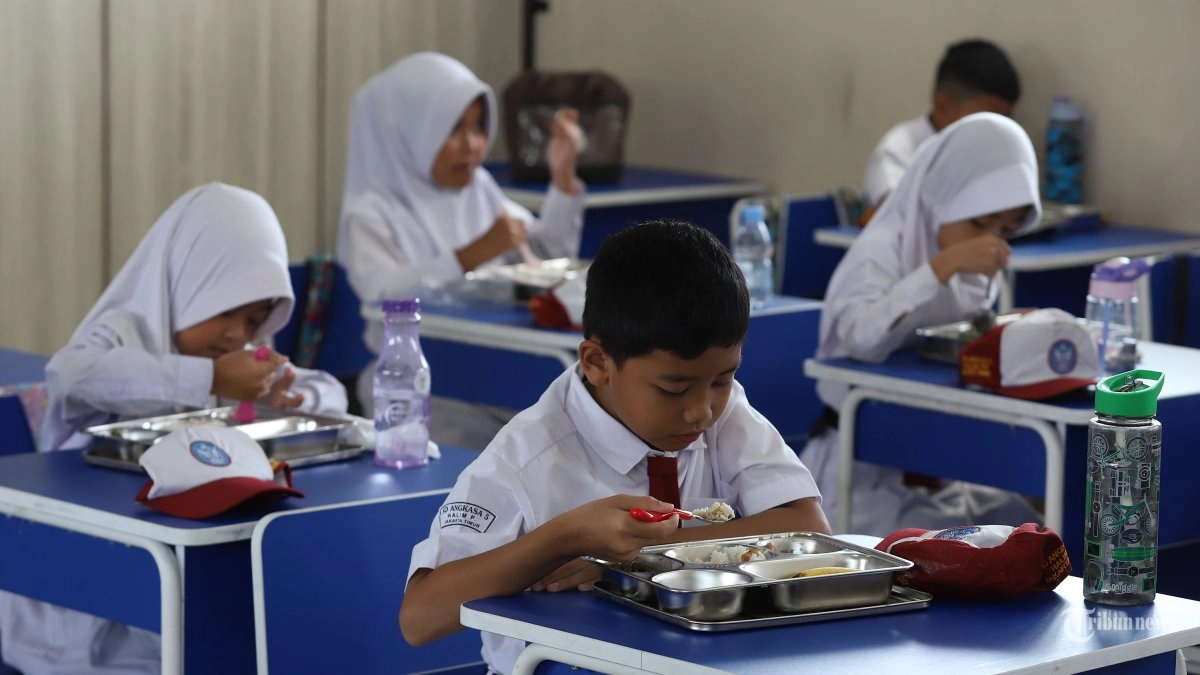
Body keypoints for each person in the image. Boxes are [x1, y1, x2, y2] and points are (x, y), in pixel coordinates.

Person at [399, 220, 829, 674]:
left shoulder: (723, 414)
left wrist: (640, 559)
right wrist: (563, 538)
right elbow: (420, 618)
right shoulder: (527, 456)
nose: (701, 412)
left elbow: (807, 524)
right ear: (598, 362)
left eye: (724, 379)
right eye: (672, 388)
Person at [0, 182, 348, 674]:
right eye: (224, 310)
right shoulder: (124, 332)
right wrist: (207, 379)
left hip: (183, 565)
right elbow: (70, 374)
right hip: (75, 587)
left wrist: (285, 394)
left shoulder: (243, 358)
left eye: (253, 320)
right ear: (184, 280)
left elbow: (327, 392)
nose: (236, 334)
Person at [802, 112, 1045, 537]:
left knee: (1027, 530)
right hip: (860, 470)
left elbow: (964, 332)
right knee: (938, 547)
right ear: (941, 199)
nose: (989, 239)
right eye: (979, 223)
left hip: (935, 456)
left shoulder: (972, 264)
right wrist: (940, 267)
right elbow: (861, 340)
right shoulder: (883, 248)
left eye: (1005, 229)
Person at [337, 51, 586, 451]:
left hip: (499, 368)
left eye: (478, 127)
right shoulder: (373, 212)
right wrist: (471, 253)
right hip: (423, 390)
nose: (473, 146)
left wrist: (562, 178)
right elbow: (381, 294)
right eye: (453, 129)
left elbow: (545, 256)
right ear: (409, 131)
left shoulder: (478, 189)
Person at [864, 38, 1021, 210]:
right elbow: (899, 217)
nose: (992, 133)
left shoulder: (992, 150)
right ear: (942, 105)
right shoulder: (898, 151)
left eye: (1004, 120)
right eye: (982, 121)